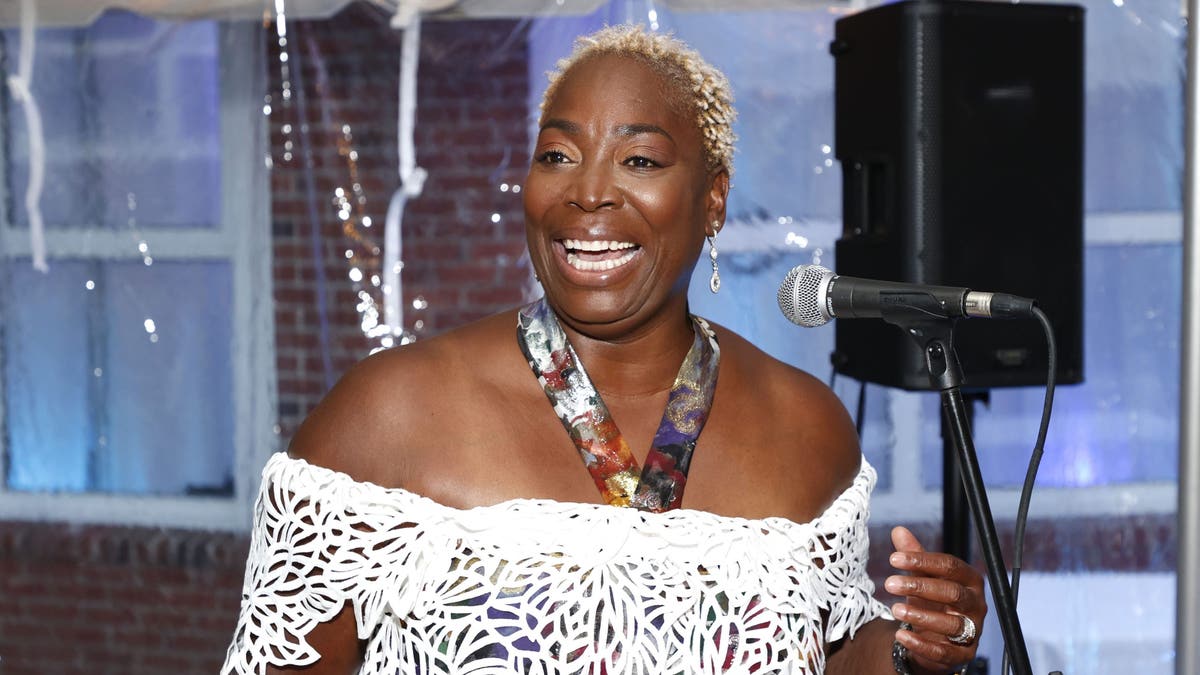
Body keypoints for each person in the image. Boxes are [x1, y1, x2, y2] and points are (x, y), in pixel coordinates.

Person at [223, 24, 986, 675]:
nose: (589, 192)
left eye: (641, 161)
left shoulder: (807, 424)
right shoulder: (386, 417)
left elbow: (821, 658)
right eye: (557, 155)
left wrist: (911, 651)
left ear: (713, 199)